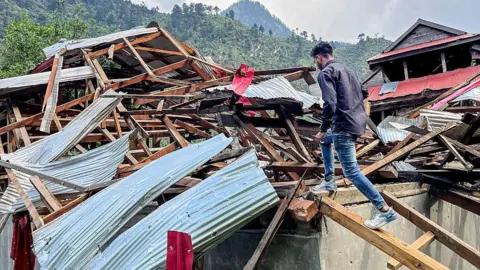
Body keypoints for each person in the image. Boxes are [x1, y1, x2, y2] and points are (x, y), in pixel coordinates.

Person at [310, 42, 398, 229]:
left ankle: (384, 210)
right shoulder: (347, 70)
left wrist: (323, 128)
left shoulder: (325, 73)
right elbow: (364, 92)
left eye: (315, 60)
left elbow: (329, 103)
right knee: (326, 141)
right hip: (357, 123)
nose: (316, 63)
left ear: (319, 58)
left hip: (343, 125)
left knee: (351, 171)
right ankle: (329, 182)